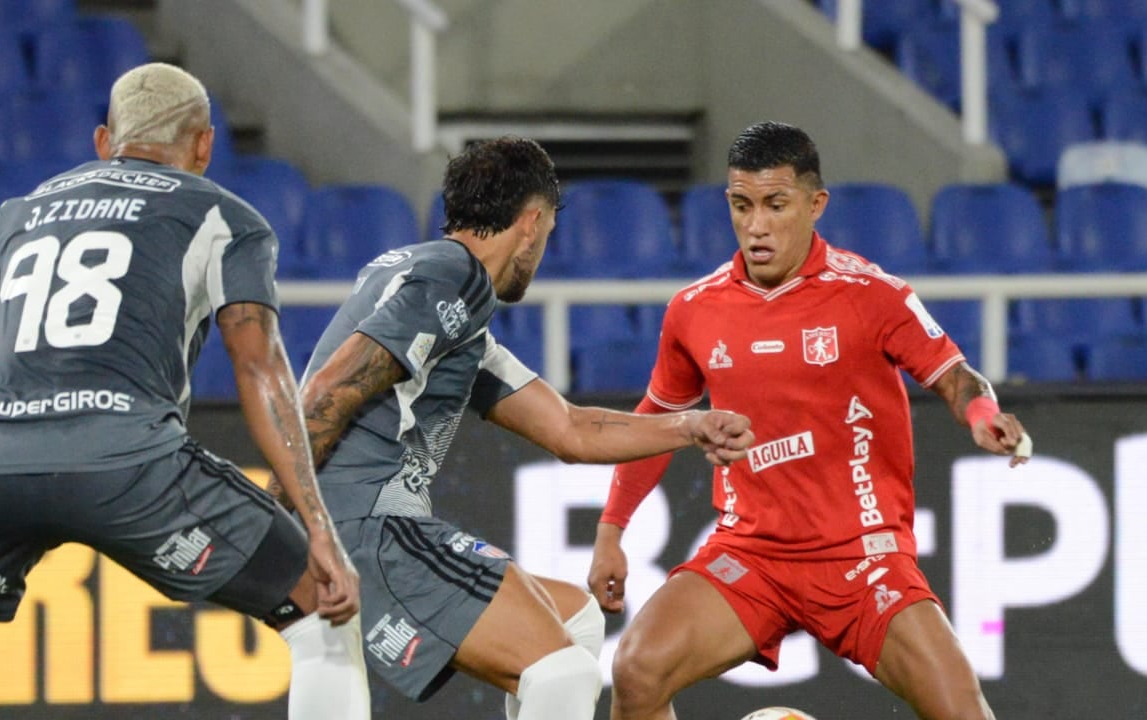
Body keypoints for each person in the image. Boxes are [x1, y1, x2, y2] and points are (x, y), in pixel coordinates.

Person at [281, 135, 754, 720]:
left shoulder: (441, 299)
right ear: (530, 223)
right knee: (562, 671)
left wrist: (691, 425)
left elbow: (573, 431)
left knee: (574, 617)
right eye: (550, 232)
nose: (544, 249)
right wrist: (277, 506)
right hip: (369, 529)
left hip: (342, 525)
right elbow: (327, 389)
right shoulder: (456, 278)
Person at [589, 121, 1032, 720]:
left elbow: (955, 376)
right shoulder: (694, 310)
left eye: (776, 205)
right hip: (751, 555)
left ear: (815, 204)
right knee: (636, 671)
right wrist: (612, 531)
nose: (757, 225)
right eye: (741, 206)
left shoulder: (873, 295)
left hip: (863, 556)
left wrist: (982, 414)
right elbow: (656, 420)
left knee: (963, 712)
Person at [0, 63, 369, 719]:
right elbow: (259, 370)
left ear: (102, 140)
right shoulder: (222, 215)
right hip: (128, 468)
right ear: (204, 145)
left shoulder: (17, 215)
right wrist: (319, 528)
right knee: (324, 605)